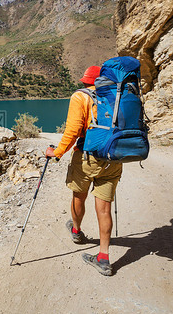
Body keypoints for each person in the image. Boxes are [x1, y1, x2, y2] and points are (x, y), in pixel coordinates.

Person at [45, 65, 122, 276]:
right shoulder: (118, 96)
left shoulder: (81, 97)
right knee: (104, 208)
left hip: (87, 157)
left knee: (79, 196)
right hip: (113, 157)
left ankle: (77, 231)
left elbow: (73, 130)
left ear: (85, 82)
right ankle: (104, 258)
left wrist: (57, 152)